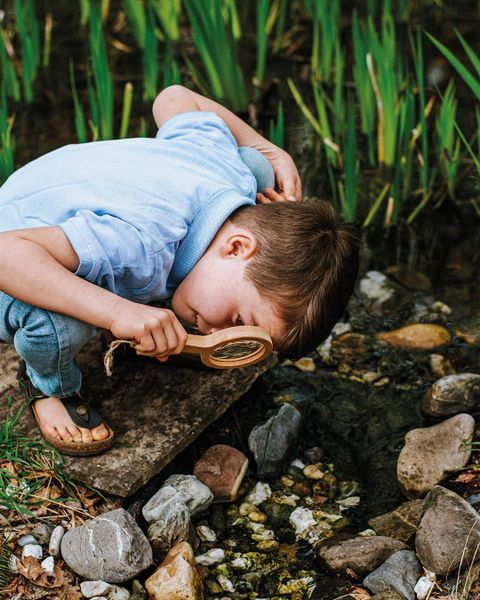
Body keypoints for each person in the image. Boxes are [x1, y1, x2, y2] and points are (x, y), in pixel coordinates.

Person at [0, 85, 360, 456]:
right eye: (236, 319)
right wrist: (120, 312)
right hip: (16, 250)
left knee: (258, 167)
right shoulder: (139, 247)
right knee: (60, 326)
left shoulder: (230, 171)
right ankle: (47, 387)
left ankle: (161, 308)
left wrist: (271, 152)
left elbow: (173, 97)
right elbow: (6, 253)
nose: (215, 333)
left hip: (60, 192)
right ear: (237, 246)